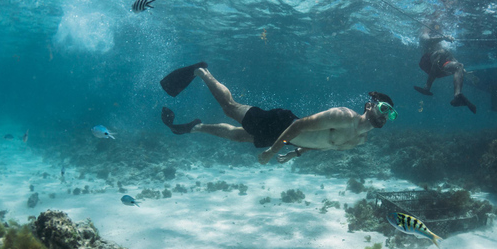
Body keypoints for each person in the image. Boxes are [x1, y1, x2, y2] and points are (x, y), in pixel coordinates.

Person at [159, 62, 397, 164]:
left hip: (286, 140)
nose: (386, 116)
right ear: (369, 106)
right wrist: (272, 152)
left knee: (239, 136)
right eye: (385, 109)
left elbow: (324, 145)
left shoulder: (360, 140)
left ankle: (194, 127)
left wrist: (295, 154)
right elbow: (300, 126)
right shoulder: (344, 116)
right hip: (283, 123)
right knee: (230, 108)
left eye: (391, 115)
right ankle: (201, 72)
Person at [414, 31, 477, 114]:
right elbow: (428, 40)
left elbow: (451, 58)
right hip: (427, 61)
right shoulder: (426, 33)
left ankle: (457, 96)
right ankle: (427, 86)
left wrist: (464, 72)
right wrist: (443, 38)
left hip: (442, 63)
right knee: (441, 52)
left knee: (459, 66)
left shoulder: (444, 48)